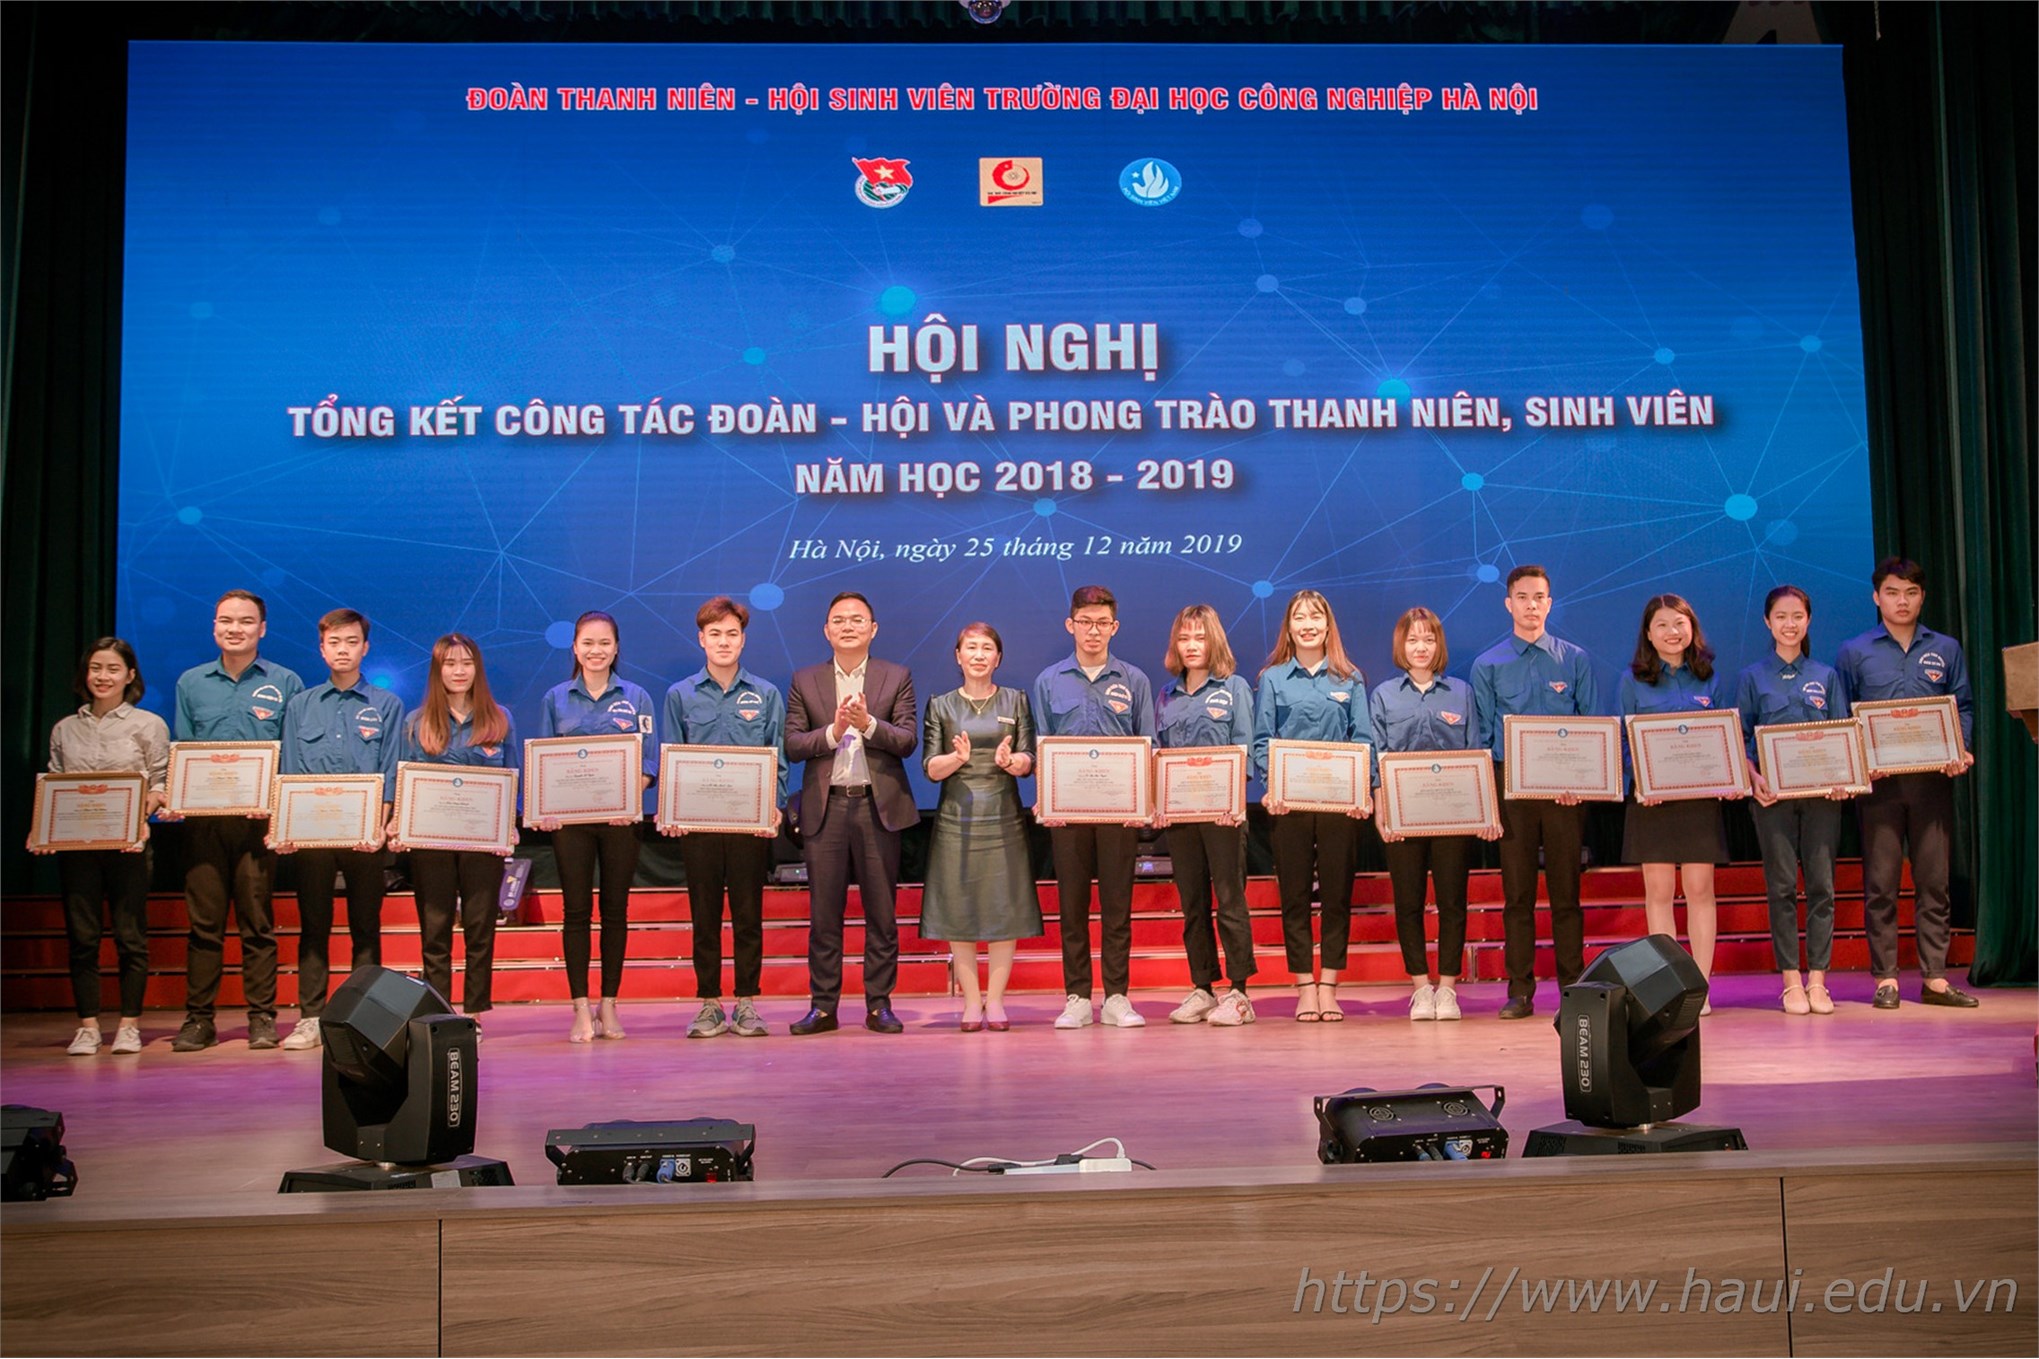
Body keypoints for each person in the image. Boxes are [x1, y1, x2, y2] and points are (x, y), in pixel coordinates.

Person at [1835, 557, 1979, 1009]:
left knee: (1934, 881)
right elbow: (1843, 716)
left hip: (1933, 781)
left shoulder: (1946, 648)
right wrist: (1859, 763)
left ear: (1922, 597)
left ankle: (1935, 978)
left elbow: (1963, 706)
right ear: (1876, 597)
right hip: (1879, 786)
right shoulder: (1854, 651)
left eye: (1911, 593)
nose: (1902, 601)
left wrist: (1960, 748)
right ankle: (1887, 979)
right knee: (1881, 884)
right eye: (1893, 593)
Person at [165, 589, 303, 1051]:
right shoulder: (191, 682)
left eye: (245, 621)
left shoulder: (286, 682)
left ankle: (262, 1018)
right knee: (204, 925)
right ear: (214, 627)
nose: (235, 629)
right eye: (226, 620)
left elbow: (290, 754)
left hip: (258, 824)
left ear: (262, 629)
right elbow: (184, 747)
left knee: (257, 923)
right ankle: (198, 1020)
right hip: (203, 823)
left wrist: (276, 805)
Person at [784, 591, 918, 1035]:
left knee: (882, 914)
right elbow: (793, 744)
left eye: (857, 619)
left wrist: (867, 725)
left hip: (877, 808)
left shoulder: (896, 676)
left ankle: (879, 1005)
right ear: (826, 630)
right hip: (827, 809)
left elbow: (906, 740)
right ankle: (823, 1007)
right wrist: (834, 730)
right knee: (825, 916)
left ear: (872, 629)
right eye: (838, 620)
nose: (848, 626)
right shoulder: (805, 680)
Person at [1470, 565, 1599, 1020]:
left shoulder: (1575, 659)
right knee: (1518, 895)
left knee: (1567, 894)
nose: (1531, 605)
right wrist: (1489, 799)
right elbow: (1482, 739)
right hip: (1513, 792)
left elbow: (1591, 728)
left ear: (1550, 603)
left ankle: (1574, 989)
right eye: (1522, 597)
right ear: (1509, 604)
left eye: (1539, 597)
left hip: (1565, 795)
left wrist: (1583, 783)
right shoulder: (1487, 664)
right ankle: (1520, 990)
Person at [271, 609, 403, 1050]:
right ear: (321, 648)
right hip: (313, 835)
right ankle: (310, 1017)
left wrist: (381, 824)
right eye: (334, 642)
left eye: (351, 642)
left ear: (365, 648)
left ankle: (365, 1018)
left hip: (366, 834)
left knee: (366, 925)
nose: (342, 650)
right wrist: (288, 825)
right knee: (314, 926)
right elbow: (290, 769)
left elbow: (390, 768)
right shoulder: (301, 705)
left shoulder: (387, 705)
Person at [33, 639, 169, 1055]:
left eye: (113, 669)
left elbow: (160, 783)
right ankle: (88, 1026)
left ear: (130, 675)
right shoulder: (64, 729)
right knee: (83, 938)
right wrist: (44, 830)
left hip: (129, 847)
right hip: (78, 850)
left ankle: (129, 1025)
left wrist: (142, 814)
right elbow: (55, 785)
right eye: (96, 668)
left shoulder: (149, 725)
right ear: (85, 674)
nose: (103, 677)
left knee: (131, 937)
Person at [1033, 585, 1158, 1030]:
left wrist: (1143, 800)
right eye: (1085, 622)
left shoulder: (1134, 680)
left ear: (1114, 627)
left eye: (1102, 623)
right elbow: (1041, 746)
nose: (1093, 631)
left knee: (1117, 906)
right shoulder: (1048, 681)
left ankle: (1117, 996)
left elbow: (1148, 745)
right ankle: (1078, 997)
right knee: (1072, 907)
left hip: (1119, 814)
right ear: (1070, 625)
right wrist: (1047, 797)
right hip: (1067, 815)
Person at [662, 596, 786, 1040]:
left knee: (749, 916)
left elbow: (778, 758)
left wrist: (774, 806)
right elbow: (671, 755)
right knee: (705, 916)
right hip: (699, 827)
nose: (724, 642)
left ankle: (747, 1002)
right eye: (715, 634)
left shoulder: (766, 694)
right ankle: (710, 1004)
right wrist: (672, 809)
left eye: (732, 633)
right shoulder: (680, 694)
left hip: (749, 825)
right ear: (701, 639)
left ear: (743, 640)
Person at [1369, 608, 1500, 1022]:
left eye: (1428, 639)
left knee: (1452, 902)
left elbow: (1477, 751)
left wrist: (1485, 811)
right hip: (1402, 817)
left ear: (1438, 645)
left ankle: (1447, 989)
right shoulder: (1384, 695)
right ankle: (1420, 989)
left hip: (1452, 818)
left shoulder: (1461, 693)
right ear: (1401, 646)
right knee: (1408, 902)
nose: (1420, 647)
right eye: (1413, 640)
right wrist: (1381, 810)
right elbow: (1376, 757)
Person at [1251, 589, 1371, 1022]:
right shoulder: (1272, 679)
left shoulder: (1350, 678)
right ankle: (1304, 986)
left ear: (1327, 625)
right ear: (1289, 626)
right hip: (1290, 806)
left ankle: (1330, 986)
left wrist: (1361, 790)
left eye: (1315, 616)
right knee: (1295, 896)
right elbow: (1262, 741)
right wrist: (1273, 784)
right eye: (1299, 617)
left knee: (1337, 896)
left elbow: (1363, 740)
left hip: (1339, 806)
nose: (1307, 625)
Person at [537, 610, 657, 1042]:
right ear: (574, 648)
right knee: (575, 911)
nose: (596, 651)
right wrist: (546, 805)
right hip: (571, 825)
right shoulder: (555, 699)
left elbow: (649, 760)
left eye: (604, 643)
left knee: (615, 911)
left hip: (620, 822)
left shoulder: (637, 697)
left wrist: (629, 798)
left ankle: (609, 1003)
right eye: (588, 643)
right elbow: (543, 760)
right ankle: (580, 1008)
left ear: (616, 647)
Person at [1618, 594, 1741, 1011]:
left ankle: (1699, 987)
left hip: (1698, 800)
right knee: (1659, 892)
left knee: (1700, 890)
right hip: (1653, 802)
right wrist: (1641, 780)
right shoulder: (1632, 681)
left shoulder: (1710, 679)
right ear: (1648, 635)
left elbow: (1725, 736)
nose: (1672, 632)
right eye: (1662, 625)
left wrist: (1728, 775)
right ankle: (1670, 987)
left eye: (1680, 624)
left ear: (1692, 628)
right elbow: (1624, 740)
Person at [388, 633, 518, 1021]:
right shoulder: (416, 722)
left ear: (477, 668)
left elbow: (513, 777)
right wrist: (400, 823)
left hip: (483, 843)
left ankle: (474, 1014)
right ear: (437, 670)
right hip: (431, 845)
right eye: (450, 664)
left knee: (480, 929)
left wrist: (509, 825)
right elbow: (404, 780)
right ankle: (441, 1014)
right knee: (435, 931)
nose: (459, 671)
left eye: (466, 663)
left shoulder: (500, 718)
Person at [920, 622, 1041, 1032]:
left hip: (1003, 815)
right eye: (970, 647)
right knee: (960, 908)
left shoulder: (1016, 699)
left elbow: (1028, 758)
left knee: (1004, 907)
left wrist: (1011, 762)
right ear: (958, 656)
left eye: (987, 647)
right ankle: (972, 1002)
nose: (978, 654)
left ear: (998, 657)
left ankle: (997, 1000)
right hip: (957, 818)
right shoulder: (940, 705)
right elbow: (930, 768)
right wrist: (957, 759)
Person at [1736, 585, 1851, 1016]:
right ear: (1767, 622)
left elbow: (1843, 734)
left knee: (1822, 886)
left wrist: (1843, 779)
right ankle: (1790, 982)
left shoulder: (1827, 676)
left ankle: (1818, 980)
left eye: (1797, 616)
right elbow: (1739, 740)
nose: (1790, 624)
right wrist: (1754, 779)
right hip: (1772, 800)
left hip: (1822, 798)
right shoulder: (1752, 677)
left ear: (1808, 620)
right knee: (1782, 886)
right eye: (1781, 617)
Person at [1154, 604, 1256, 1027]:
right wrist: (1158, 801)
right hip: (1180, 819)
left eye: (1200, 637)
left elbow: (1245, 751)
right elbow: (1159, 756)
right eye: (1184, 638)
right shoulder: (1166, 695)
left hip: (1224, 817)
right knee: (1192, 905)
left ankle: (1239, 993)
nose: (1192, 645)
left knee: (1230, 902)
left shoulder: (1234, 688)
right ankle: (1203, 987)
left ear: (1214, 641)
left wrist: (1234, 802)